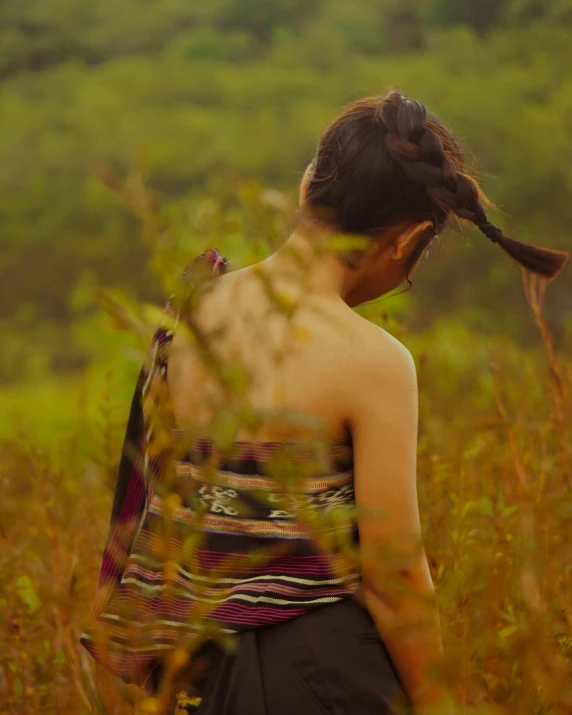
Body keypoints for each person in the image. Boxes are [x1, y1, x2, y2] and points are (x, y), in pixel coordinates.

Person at [81, 91, 568, 715]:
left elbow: (154, 495)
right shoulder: (374, 361)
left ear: (309, 182)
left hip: (191, 672)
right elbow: (394, 579)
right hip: (317, 673)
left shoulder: (194, 303)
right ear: (409, 238)